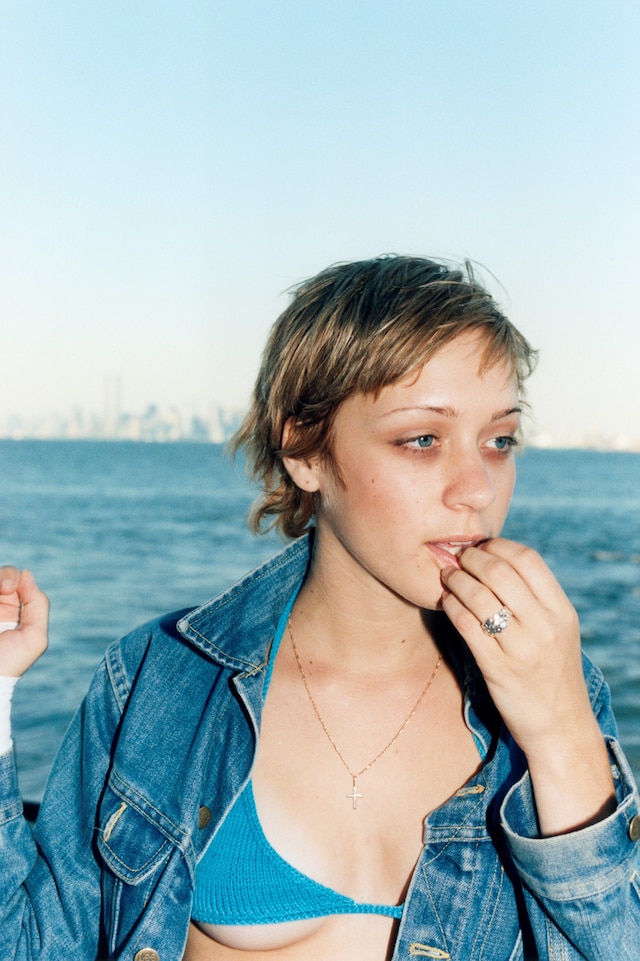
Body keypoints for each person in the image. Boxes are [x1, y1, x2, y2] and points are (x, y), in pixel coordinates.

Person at [1, 255, 639, 961]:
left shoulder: (559, 692)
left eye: (500, 441)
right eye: (422, 439)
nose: (478, 488)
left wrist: (560, 735)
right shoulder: (161, 681)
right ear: (304, 447)